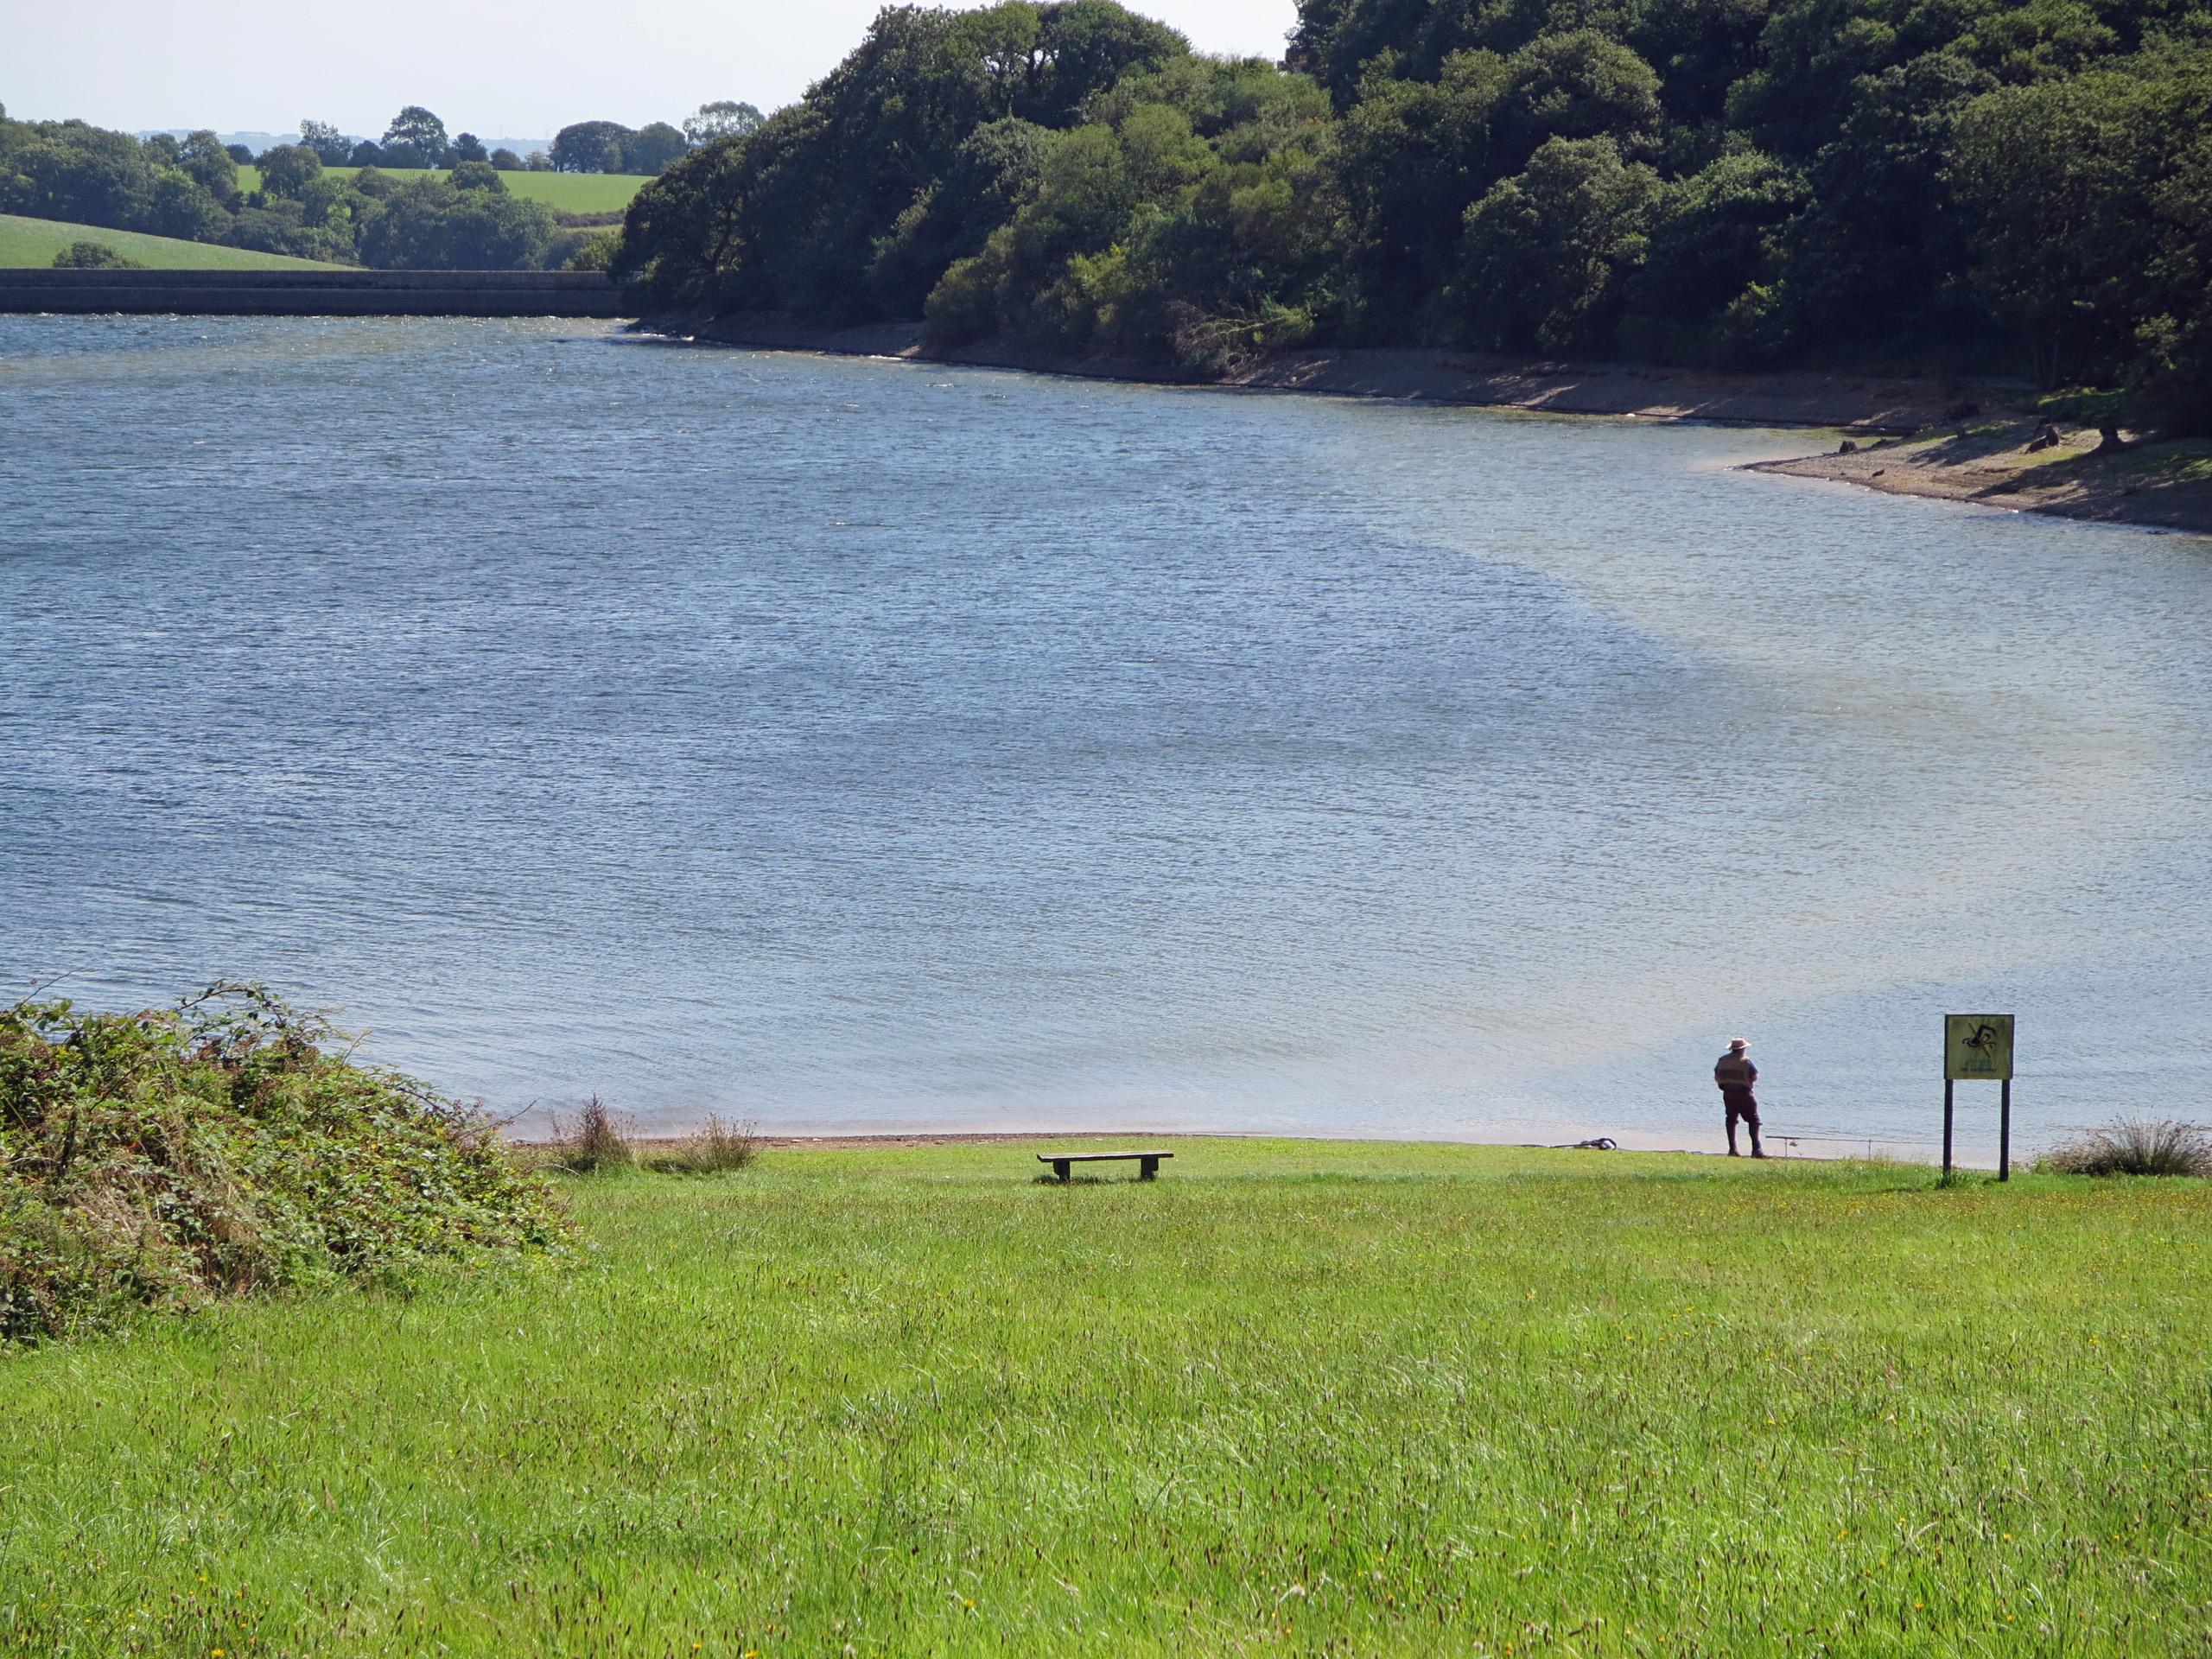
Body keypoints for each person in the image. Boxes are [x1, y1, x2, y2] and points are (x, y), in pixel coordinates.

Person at [1714, 1038, 1764, 1158]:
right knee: (1754, 1121)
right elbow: (1754, 1077)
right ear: (1743, 1049)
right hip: (1744, 1094)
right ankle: (1756, 1150)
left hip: (1728, 1093)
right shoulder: (1745, 1061)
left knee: (1731, 1120)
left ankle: (1732, 1149)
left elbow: (1717, 1077)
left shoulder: (1722, 1060)